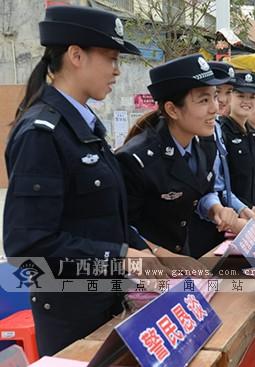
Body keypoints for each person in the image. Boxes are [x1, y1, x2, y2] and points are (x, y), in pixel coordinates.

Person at [3, 5, 166, 356]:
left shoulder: (85, 128)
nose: (117, 70)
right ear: (76, 55)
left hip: (107, 307)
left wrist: (147, 251)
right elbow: (27, 246)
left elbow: (103, 215)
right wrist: (120, 258)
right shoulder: (42, 134)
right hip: (72, 321)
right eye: (110, 58)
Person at [117, 54, 242, 259]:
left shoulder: (204, 143)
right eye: (203, 100)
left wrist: (215, 209)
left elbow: (202, 190)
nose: (215, 108)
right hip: (142, 272)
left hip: (181, 261)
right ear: (172, 110)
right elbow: (120, 228)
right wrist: (162, 256)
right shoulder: (136, 160)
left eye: (214, 97)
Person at [219, 72, 255, 216]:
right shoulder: (222, 132)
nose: (247, 101)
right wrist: (247, 207)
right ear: (230, 98)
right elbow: (221, 187)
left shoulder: (252, 133)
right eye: (241, 96)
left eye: (252, 97)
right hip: (234, 218)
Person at [207, 61, 255, 220]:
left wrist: (241, 208)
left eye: (228, 91)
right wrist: (242, 208)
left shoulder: (216, 129)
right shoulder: (219, 130)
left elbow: (220, 186)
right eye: (216, 93)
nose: (222, 99)